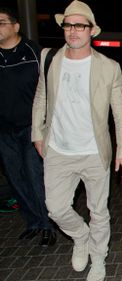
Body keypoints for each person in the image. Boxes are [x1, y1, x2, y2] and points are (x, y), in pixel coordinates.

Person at [31, 1, 122, 280]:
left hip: (94, 152)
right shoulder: (48, 58)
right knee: (55, 208)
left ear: (91, 31)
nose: (73, 31)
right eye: (68, 25)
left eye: (80, 25)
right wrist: (37, 134)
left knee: (98, 210)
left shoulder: (109, 67)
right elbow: (41, 97)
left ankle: (98, 258)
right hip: (57, 151)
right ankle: (80, 236)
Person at [0, 7, 56, 245]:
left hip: (31, 128)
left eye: (1, 22)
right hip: (4, 129)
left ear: (16, 26)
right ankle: (33, 221)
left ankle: (48, 224)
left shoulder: (34, 52)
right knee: (16, 178)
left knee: (35, 176)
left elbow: (49, 91)